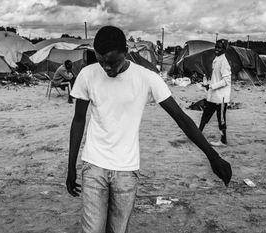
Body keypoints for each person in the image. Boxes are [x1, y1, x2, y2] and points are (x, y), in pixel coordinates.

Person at [66, 26, 232, 233]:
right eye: (101, 62)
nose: (107, 68)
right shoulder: (87, 75)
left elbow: (181, 117)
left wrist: (212, 155)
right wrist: (71, 166)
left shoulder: (147, 78)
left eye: (112, 62)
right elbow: (79, 120)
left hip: (126, 170)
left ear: (126, 53)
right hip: (94, 166)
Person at [199, 39, 231, 147]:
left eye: (219, 48)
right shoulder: (217, 59)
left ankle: (223, 140)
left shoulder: (224, 62)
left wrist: (212, 86)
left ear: (224, 49)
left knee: (221, 119)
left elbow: (226, 81)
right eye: (216, 47)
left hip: (221, 97)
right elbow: (217, 78)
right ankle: (198, 135)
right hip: (214, 96)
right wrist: (208, 84)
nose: (216, 49)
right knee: (205, 115)